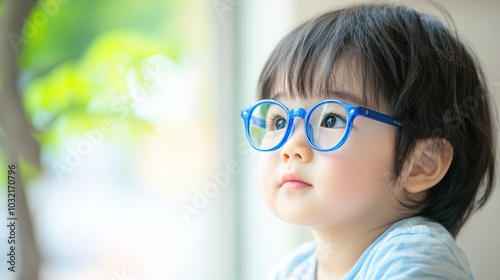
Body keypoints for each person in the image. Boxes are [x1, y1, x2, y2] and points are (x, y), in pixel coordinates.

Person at [240, 2, 496, 279]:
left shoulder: (415, 259)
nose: (291, 147)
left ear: (422, 163)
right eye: (279, 121)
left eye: (331, 119)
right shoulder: (292, 270)